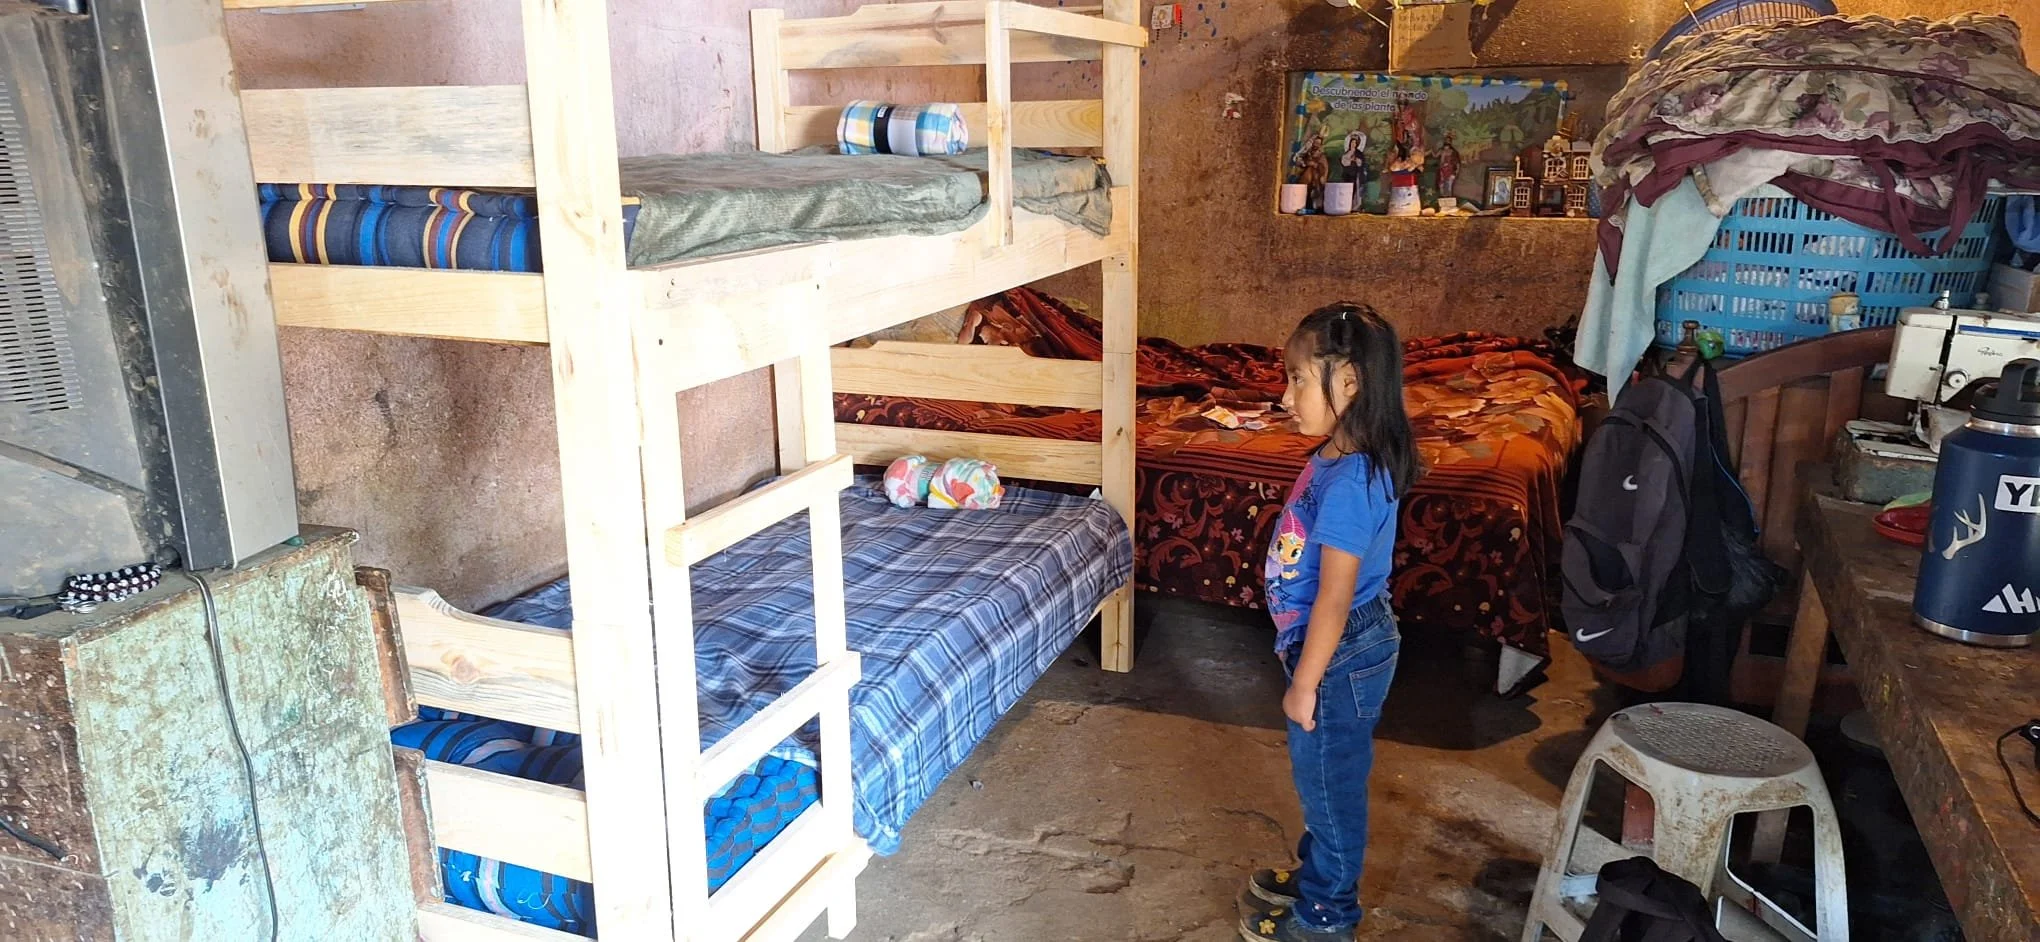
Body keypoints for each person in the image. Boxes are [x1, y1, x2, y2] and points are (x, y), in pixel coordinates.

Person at [1239, 302, 1420, 942]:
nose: (1283, 394)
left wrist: (1304, 684)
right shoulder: (1338, 456)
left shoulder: (1352, 481)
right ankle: (1320, 874)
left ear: (1349, 383)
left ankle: (1326, 916)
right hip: (1331, 652)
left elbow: (1335, 601)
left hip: (1338, 656)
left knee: (1330, 791)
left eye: (1295, 378)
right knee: (1323, 779)